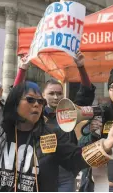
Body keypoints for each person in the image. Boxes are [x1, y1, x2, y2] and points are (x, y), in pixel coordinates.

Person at [0, 81, 113, 192]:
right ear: (14, 104)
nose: (37, 105)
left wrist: (106, 144)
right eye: (30, 100)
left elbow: (76, 160)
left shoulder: (51, 135)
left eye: (40, 101)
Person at [41, 51, 96, 192]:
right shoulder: (36, 115)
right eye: (51, 93)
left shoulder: (70, 112)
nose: (55, 97)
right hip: (42, 171)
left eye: (59, 93)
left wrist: (81, 67)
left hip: (66, 172)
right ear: (43, 95)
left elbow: (86, 92)